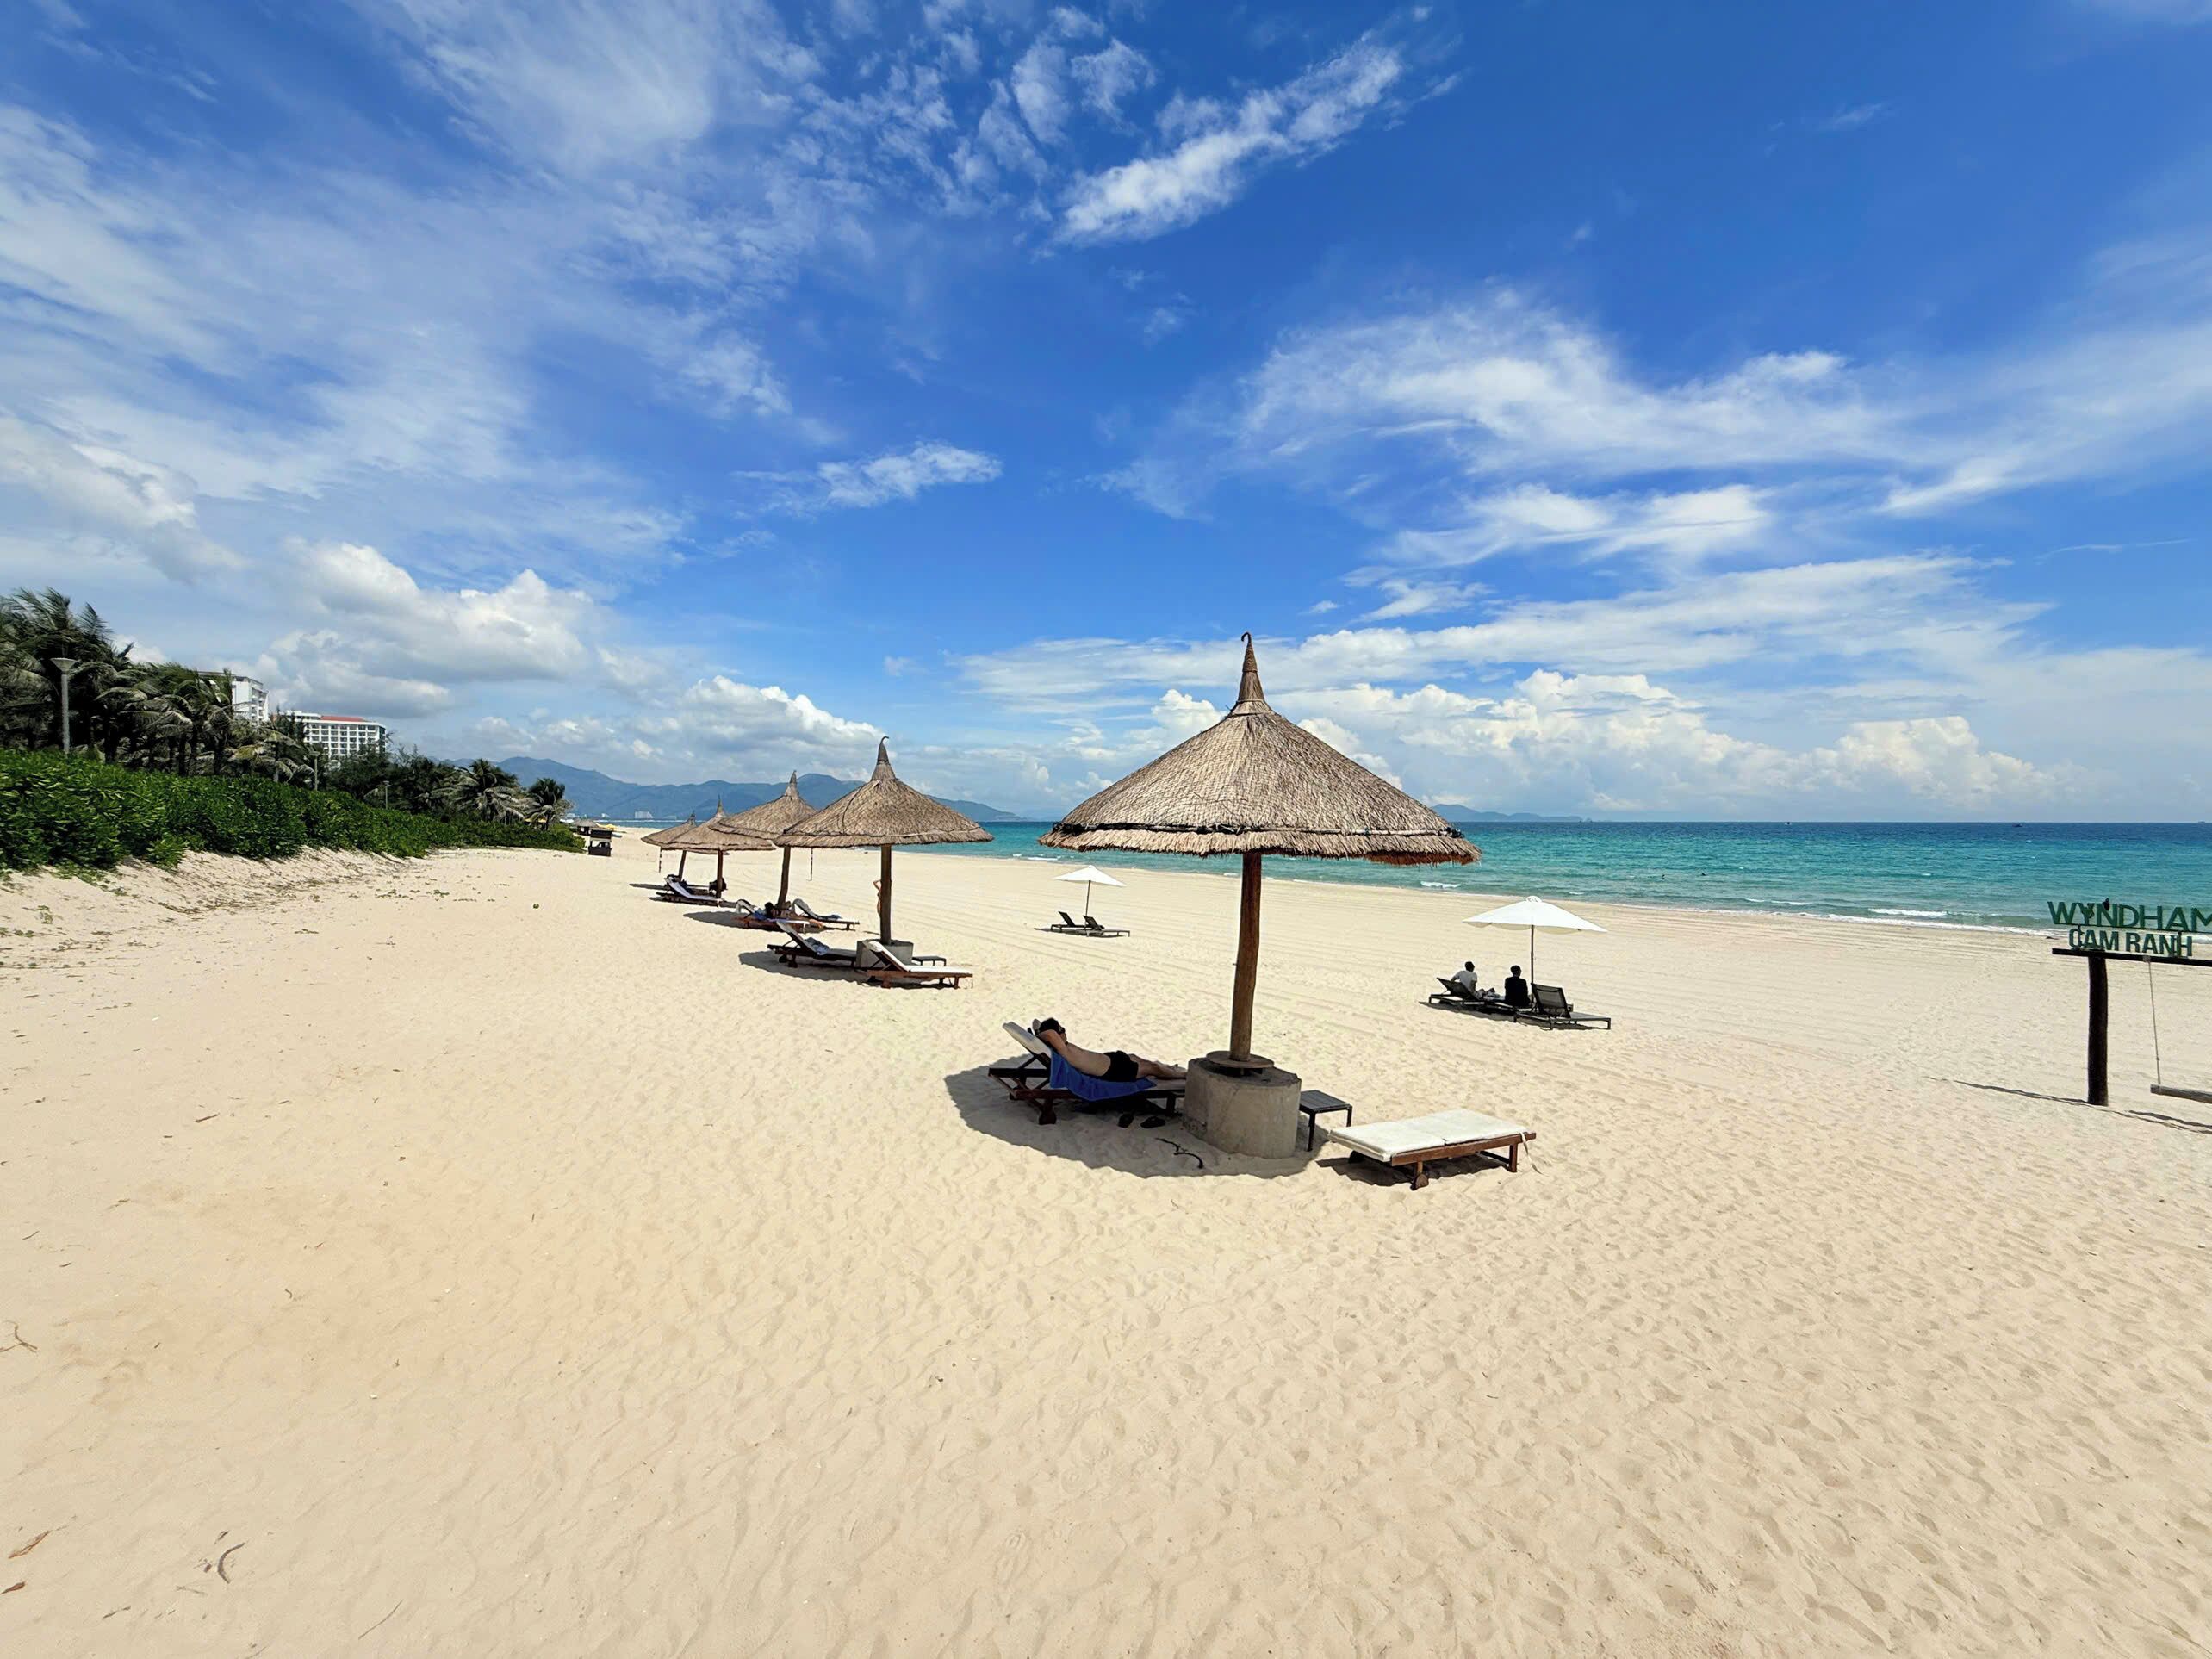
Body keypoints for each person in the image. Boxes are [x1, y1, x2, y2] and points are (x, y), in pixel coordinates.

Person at [1032, 1019, 1187, 1082]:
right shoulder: (1063, 1050)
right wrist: (1041, 1035)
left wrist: (1039, 1032)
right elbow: (1050, 1033)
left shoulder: (1063, 1046)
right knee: (1152, 1068)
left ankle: (1167, 1069)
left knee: (1137, 1058)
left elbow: (1037, 1024)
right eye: (1062, 1030)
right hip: (1113, 1071)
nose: (1065, 1032)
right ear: (1056, 1036)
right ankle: (1180, 1075)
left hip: (1112, 1060)